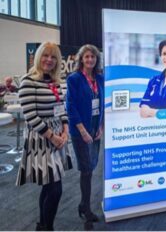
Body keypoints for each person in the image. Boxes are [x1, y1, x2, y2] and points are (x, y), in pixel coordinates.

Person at [16, 42, 73, 230]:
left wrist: (65, 130)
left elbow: (62, 109)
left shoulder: (57, 81)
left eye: (54, 56)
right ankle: (48, 227)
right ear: (38, 57)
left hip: (58, 137)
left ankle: (42, 225)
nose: (49, 60)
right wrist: (52, 136)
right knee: (55, 188)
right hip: (41, 140)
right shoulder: (28, 81)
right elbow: (30, 116)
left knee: (49, 185)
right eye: (45, 55)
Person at [66, 44, 103, 230]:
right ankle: (86, 208)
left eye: (93, 57)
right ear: (81, 59)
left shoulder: (100, 79)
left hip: (95, 128)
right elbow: (70, 107)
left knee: (91, 165)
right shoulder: (74, 79)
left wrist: (101, 126)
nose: (90, 60)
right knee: (86, 169)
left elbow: (104, 104)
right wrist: (82, 131)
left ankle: (83, 204)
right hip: (80, 130)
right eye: (87, 57)